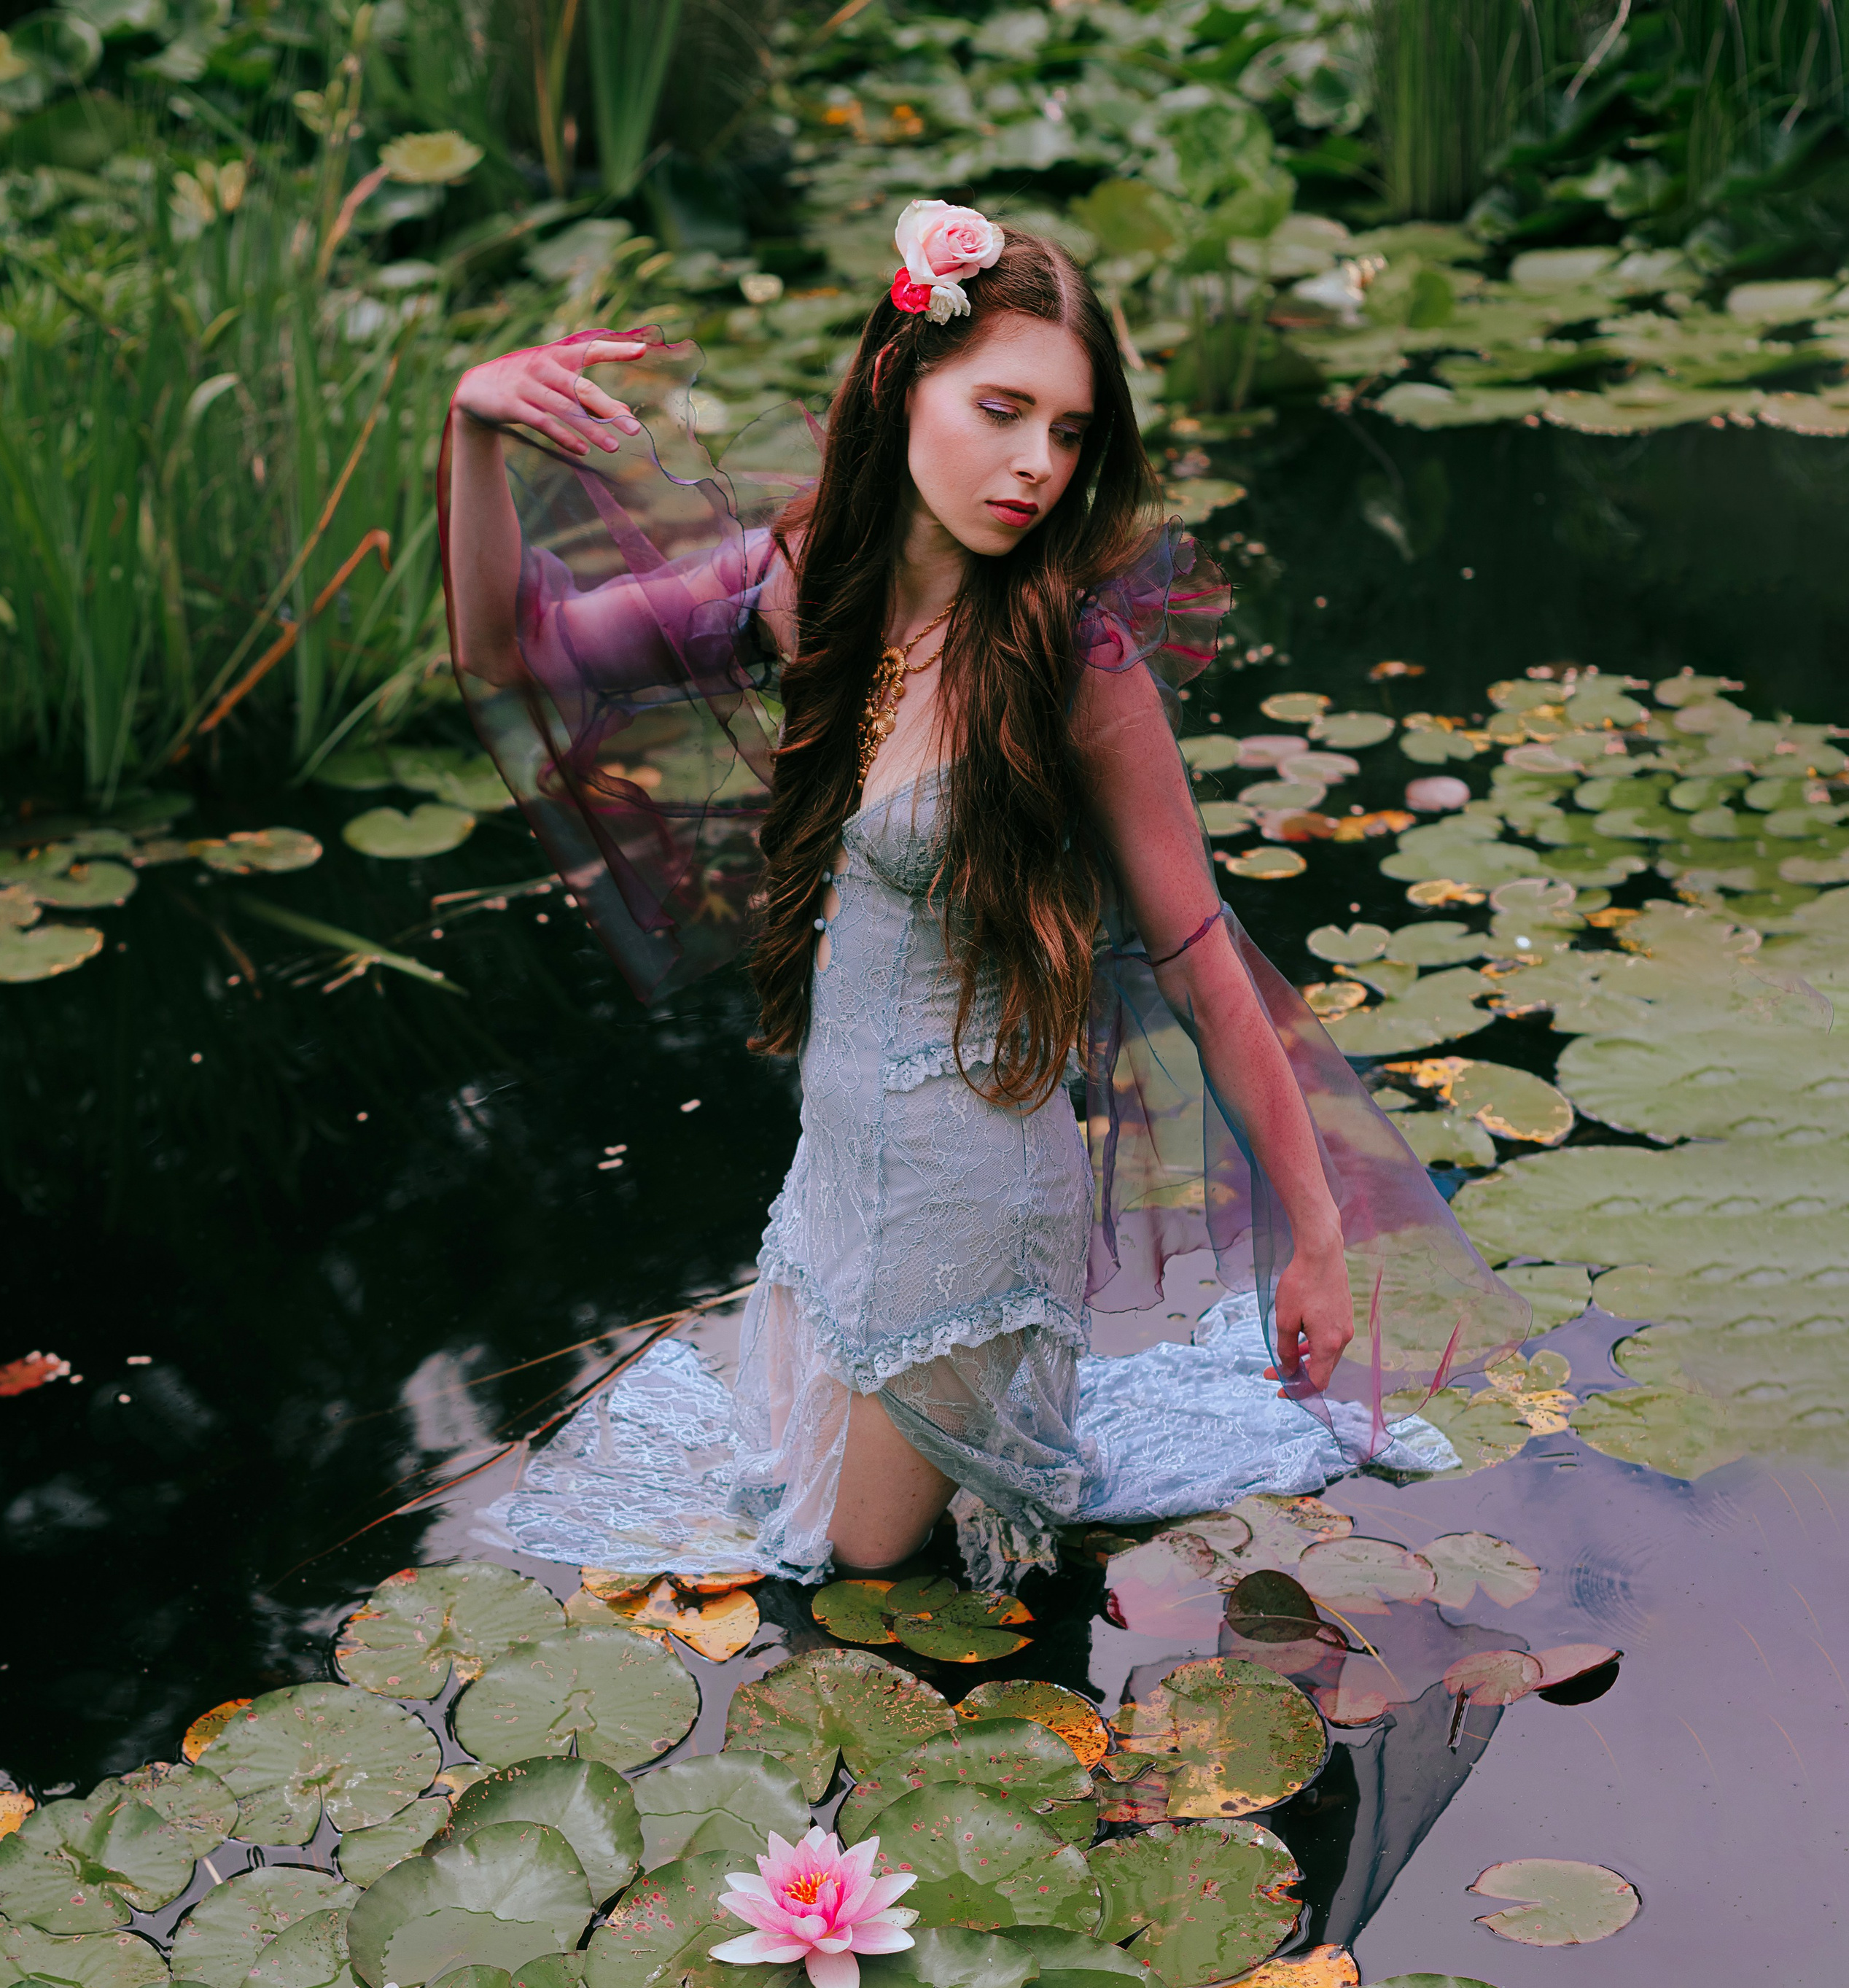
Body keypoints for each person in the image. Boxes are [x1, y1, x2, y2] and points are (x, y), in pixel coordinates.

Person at [440, 205, 1525, 1583]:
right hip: (835, 1173)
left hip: (974, 1200)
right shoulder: (797, 592)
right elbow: (511, 645)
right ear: (901, 386)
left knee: (849, 1569)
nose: (1034, 466)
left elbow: (1200, 955)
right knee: (779, 1528)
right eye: (1004, 410)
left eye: (1069, 433)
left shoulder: (1080, 660)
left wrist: (1315, 1235)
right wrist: (474, 429)